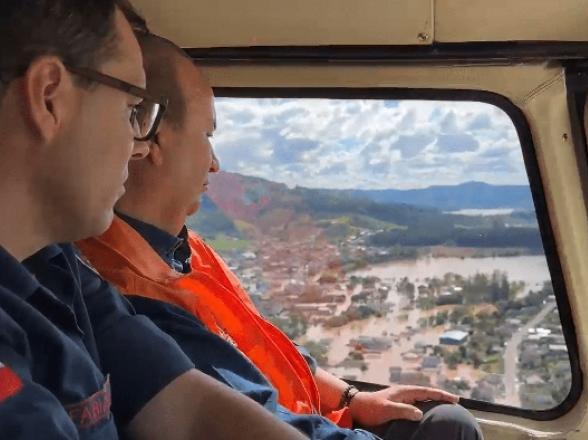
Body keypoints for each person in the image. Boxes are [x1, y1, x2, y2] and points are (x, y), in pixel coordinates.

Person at [76, 28, 484, 440]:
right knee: (451, 429)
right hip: (289, 428)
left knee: (443, 419)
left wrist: (350, 398)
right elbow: (253, 423)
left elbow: (263, 347)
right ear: (152, 136)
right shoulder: (133, 293)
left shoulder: (182, 249)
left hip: (304, 418)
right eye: (207, 136)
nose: (215, 164)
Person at [0, 1, 308, 439]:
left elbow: (188, 409)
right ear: (49, 96)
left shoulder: (56, 265)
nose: (139, 146)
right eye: (132, 111)